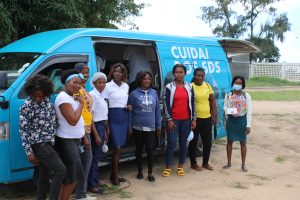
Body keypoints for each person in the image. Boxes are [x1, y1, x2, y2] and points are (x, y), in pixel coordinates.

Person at [19, 74, 66, 200]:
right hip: (39, 144)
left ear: (46, 92)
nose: (39, 99)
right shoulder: (27, 106)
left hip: (49, 142)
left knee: (44, 176)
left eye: (41, 95)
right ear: (30, 93)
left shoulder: (47, 101)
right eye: (35, 96)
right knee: (60, 170)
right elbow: (23, 131)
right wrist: (29, 152)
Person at [54, 69, 85, 200]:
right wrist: (81, 104)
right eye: (74, 82)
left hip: (73, 141)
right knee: (74, 177)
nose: (78, 85)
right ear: (66, 82)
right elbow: (73, 120)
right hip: (67, 141)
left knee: (69, 176)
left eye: (80, 83)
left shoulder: (71, 97)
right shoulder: (62, 98)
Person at [162, 63, 196, 177]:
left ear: (185, 73)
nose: (179, 74)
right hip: (174, 121)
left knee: (184, 144)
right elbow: (166, 104)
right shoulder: (169, 87)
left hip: (186, 120)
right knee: (171, 143)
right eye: (177, 72)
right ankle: (168, 167)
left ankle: (180, 166)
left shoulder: (190, 86)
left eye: (181, 72)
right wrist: (169, 119)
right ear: (174, 74)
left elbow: (193, 103)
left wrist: (193, 119)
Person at [128, 71, 162, 182]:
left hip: (151, 127)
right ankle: (139, 171)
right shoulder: (133, 94)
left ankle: (150, 173)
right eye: (144, 79)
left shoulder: (154, 93)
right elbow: (130, 112)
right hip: (137, 127)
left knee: (150, 150)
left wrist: (158, 126)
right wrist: (130, 127)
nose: (147, 81)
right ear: (140, 80)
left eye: (149, 79)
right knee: (138, 150)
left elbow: (157, 111)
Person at [73, 63, 98, 199]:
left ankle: (80, 192)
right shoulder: (77, 91)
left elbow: (89, 113)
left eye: (88, 72)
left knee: (85, 161)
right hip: (81, 131)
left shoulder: (83, 89)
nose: (86, 74)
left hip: (87, 129)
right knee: (85, 161)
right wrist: (84, 136)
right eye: (83, 72)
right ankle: (80, 194)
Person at [104, 63, 130, 186]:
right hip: (112, 117)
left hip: (123, 117)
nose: (117, 74)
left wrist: (129, 106)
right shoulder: (107, 86)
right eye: (115, 71)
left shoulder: (126, 86)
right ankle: (114, 176)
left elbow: (125, 101)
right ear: (112, 73)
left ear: (124, 74)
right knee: (116, 148)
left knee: (119, 149)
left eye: (120, 72)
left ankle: (114, 174)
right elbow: (104, 104)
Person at [188, 68, 216, 171]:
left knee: (207, 142)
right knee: (193, 142)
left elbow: (212, 101)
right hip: (195, 119)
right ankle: (193, 163)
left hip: (207, 118)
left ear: (204, 76)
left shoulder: (207, 85)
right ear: (194, 75)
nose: (199, 77)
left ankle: (205, 163)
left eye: (201, 76)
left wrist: (214, 116)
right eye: (197, 75)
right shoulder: (190, 87)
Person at [223, 75, 252, 172]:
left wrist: (248, 125)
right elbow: (225, 108)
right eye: (236, 83)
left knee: (243, 143)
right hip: (231, 121)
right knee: (229, 142)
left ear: (242, 85)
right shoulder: (228, 95)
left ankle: (243, 164)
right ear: (233, 83)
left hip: (242, 121)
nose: (238, 85)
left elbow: (249, 111)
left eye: (240, 83)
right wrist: (231, 112)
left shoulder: (246, 96)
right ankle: (228, 162)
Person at [88, 72, 110, 192]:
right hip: (95, 127)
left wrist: (105, 132)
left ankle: (95, 180)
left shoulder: (101, 95)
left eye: (103, 82)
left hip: (101, 126)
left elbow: (103, 115)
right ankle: (92, 185)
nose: (102, 84)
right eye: (99, 82)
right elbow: (91, 117)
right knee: (94, 157)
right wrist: (96, 135)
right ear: (94, 83)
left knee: (97, 157)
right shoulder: (92, 95)